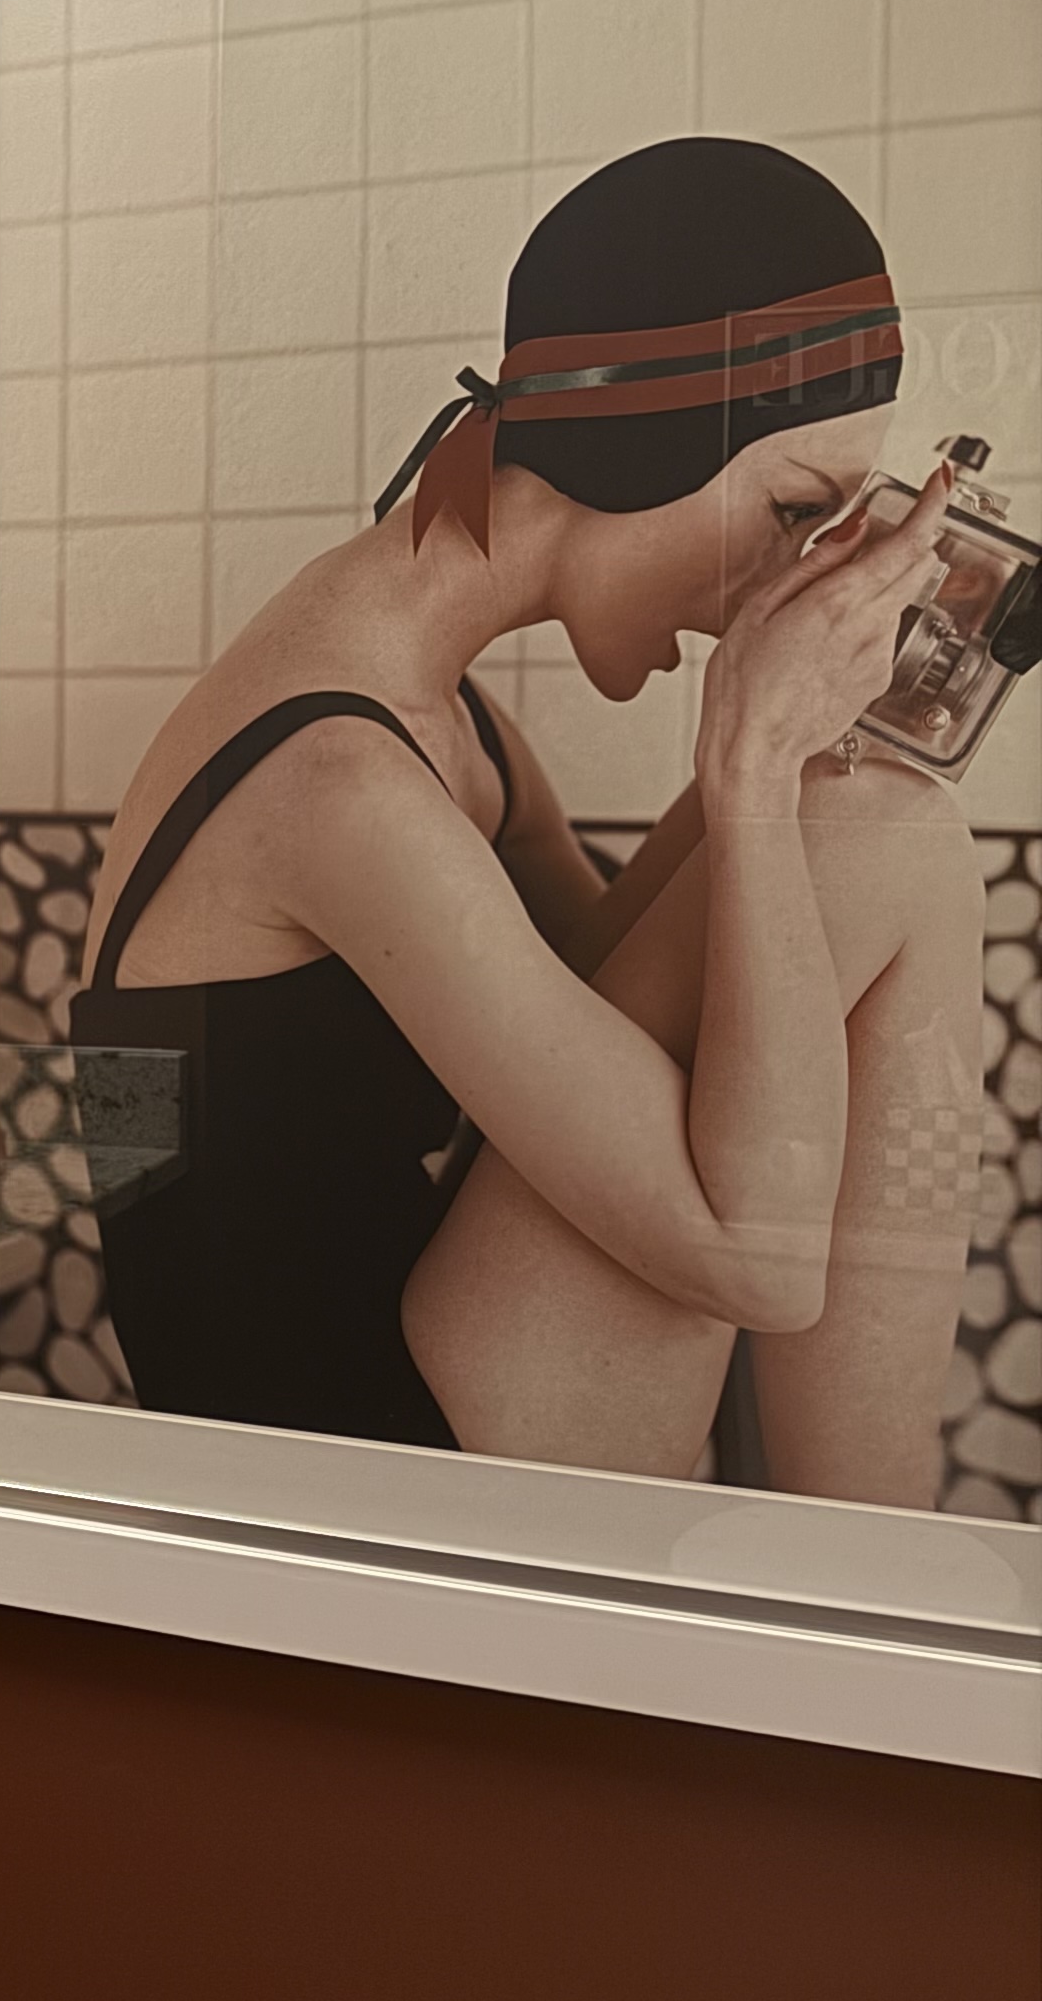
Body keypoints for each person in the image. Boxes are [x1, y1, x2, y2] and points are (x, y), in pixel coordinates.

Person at [67, 137, 985, 1513]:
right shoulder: (333, 782)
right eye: (794, 510)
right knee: (880, 826)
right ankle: (877, 1573)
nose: (776, 585)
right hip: (346, 1482)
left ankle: (871, 1562)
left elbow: (633, 1028)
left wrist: (785, 741)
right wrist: (753, 766)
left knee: (853, 804)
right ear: (648, 437)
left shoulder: (440, 726)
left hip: (413, 1364)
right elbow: (757, 1255)